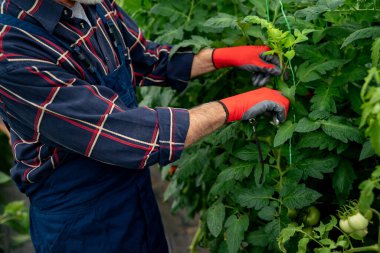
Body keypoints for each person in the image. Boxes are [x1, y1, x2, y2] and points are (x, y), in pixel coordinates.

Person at [0, 0, 289, 252]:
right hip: (79, 216)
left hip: (131, 187)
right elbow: (122, 134)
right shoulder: (12, 50)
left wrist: (221, 57)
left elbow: (148, 60)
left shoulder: (92, 3)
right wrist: (232, 107)